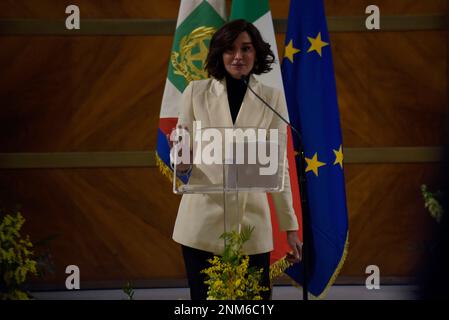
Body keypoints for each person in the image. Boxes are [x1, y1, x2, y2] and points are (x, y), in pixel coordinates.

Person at [170, 19, 302, 300]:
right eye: (230, 49)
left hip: (251, 228)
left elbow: (279, 169)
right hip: (201, 227)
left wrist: (290, 227)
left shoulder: (272, 98)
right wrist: (181, 161)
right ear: (220, 53)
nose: (238, 56)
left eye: (246, 49)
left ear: (257, 54)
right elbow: (181, 161)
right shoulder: (195, 92)